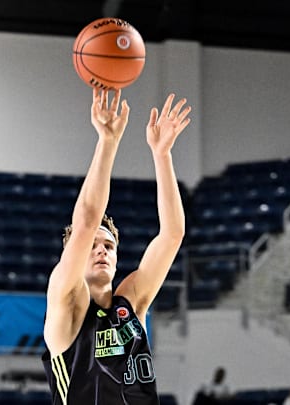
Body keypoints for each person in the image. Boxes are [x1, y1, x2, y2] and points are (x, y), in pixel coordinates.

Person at [42, 88, 191, 405]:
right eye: (93, 245)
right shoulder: (66, 305)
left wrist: (162, 155)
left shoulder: (132, 303)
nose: (101, 250)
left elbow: (173, 234)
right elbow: (85, 221)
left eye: (108, 245)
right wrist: (107, 143)